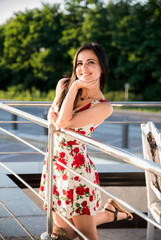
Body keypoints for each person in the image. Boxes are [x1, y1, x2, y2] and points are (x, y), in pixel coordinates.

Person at [40, 43, 133, 240]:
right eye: (79, 63)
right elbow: (52, 115)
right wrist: (70, 89)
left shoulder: (103, 106)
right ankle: (111, 213)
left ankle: (111, 213)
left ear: (102, 67)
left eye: (91, 62)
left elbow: (63, 122)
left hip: (78, 173)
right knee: (70, 232)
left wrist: (76, 86)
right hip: (55, 165)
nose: (83, 68)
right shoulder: (63, 84)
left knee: (87, 235)